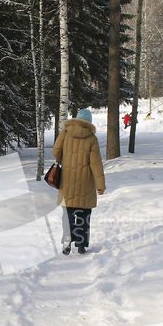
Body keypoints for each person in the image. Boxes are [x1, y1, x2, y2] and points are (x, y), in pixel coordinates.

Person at [52, 108, 106, 255]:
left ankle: (67, 242)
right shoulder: (92, 139)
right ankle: (81, 245)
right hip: (86, 184)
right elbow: (96, 164)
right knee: (83, 214)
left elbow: (55, 152)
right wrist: (100, 186)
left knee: (68, 214)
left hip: (67, 182)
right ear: (89, 122)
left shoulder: (65, 133)